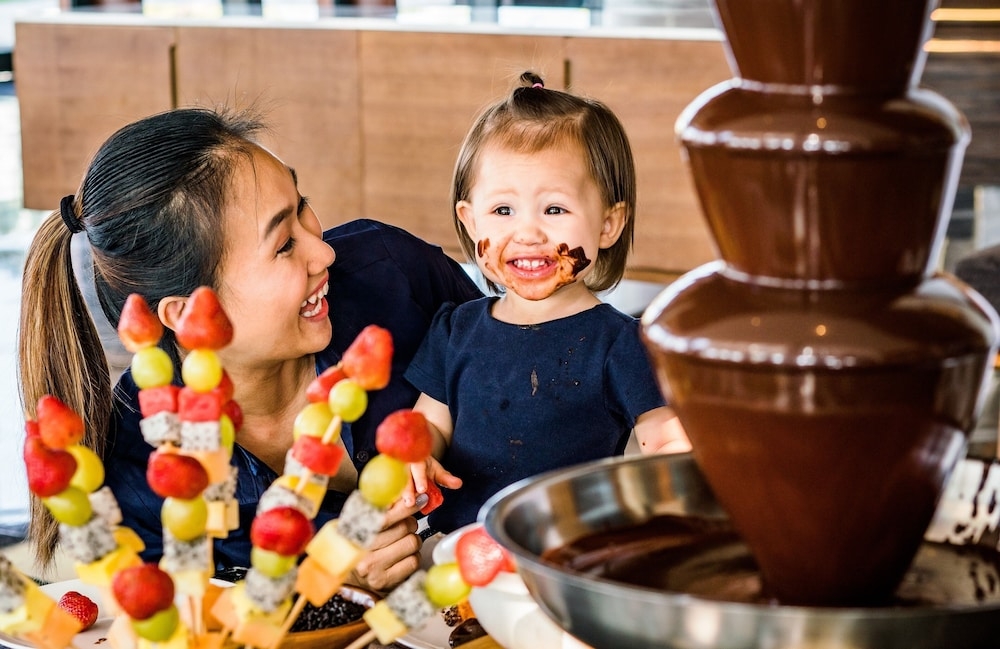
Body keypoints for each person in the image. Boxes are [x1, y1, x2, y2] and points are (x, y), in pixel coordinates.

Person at [18, 106, 483, 590]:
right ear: (187, 315)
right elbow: (197, 622)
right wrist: (327, 586)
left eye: (302, 206)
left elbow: (532, 381)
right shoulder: (144, 460)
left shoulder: (395, 276)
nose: (323, 253)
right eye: (283, 244)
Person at [403, 72, 691, 534]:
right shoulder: (455, 330)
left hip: (562, 559)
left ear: (607, 225)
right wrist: (414, 454)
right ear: (470, 220)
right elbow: (431, 425)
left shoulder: (621, 343)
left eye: (554, 209)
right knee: (398, 606)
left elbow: (665, 439)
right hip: (453, 553)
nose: (528, 233)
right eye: (502, 211)